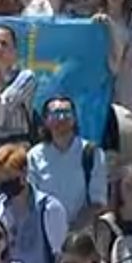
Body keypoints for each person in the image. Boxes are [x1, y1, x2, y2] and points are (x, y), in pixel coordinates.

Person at [26, 96, 108, 230]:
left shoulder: (91, 153)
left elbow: (98, 202)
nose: (62, 118)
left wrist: (74, 231)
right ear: (46, 121)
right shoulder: (34, 156)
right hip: (45, 233)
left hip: (82, 236)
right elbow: (31, 201)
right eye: (55, 114)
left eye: (67, 113)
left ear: (74, 119)